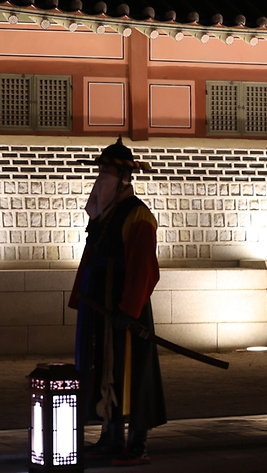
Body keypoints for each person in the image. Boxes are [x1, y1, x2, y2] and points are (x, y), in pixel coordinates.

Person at [68, 138, 165, 467]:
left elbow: (144, 269)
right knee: (103, 369)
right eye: (101, 170)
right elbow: (91, 255)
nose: (102, 177)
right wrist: (82, 292)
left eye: (108, 171)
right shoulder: (102, 215)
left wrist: (129, 310)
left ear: (125, 176)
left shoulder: (138, 215)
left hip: (125, 307)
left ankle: (137, 442)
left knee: (133, 372)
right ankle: (110, 436)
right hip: (100, 305)